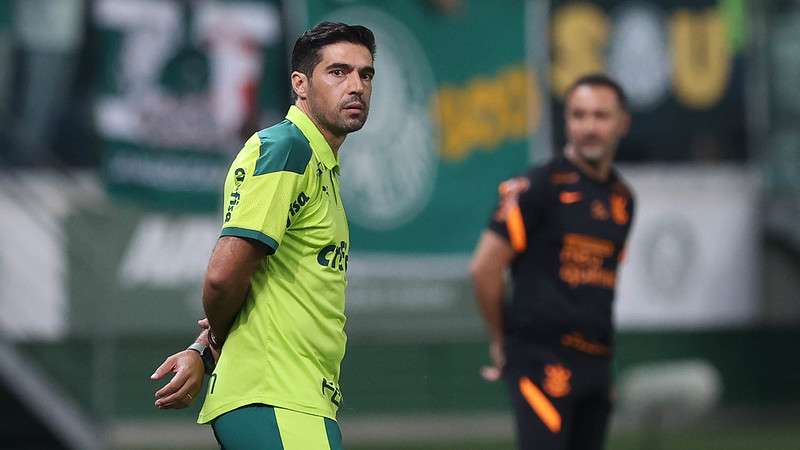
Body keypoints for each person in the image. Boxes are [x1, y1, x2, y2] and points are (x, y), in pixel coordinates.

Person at [150, 21, 376, 449]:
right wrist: (214, 344)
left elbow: (258, 280)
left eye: (365, 74)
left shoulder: (315, 161)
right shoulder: (288, 148)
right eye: (338, 71)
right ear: (300, 84)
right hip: (277, 399)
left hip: (294, 400)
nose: (356, 86)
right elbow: (223, 275)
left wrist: (202, 349)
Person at [470, 73, 635, 450]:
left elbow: (604, 285)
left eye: (600, 116)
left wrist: (604, 370)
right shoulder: (539, 187)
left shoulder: (624, 199)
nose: (588, 126)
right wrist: (501, 341)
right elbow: (484, 268)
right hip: (541, 360)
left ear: (623, 123)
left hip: (595, 366)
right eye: (578, 116)